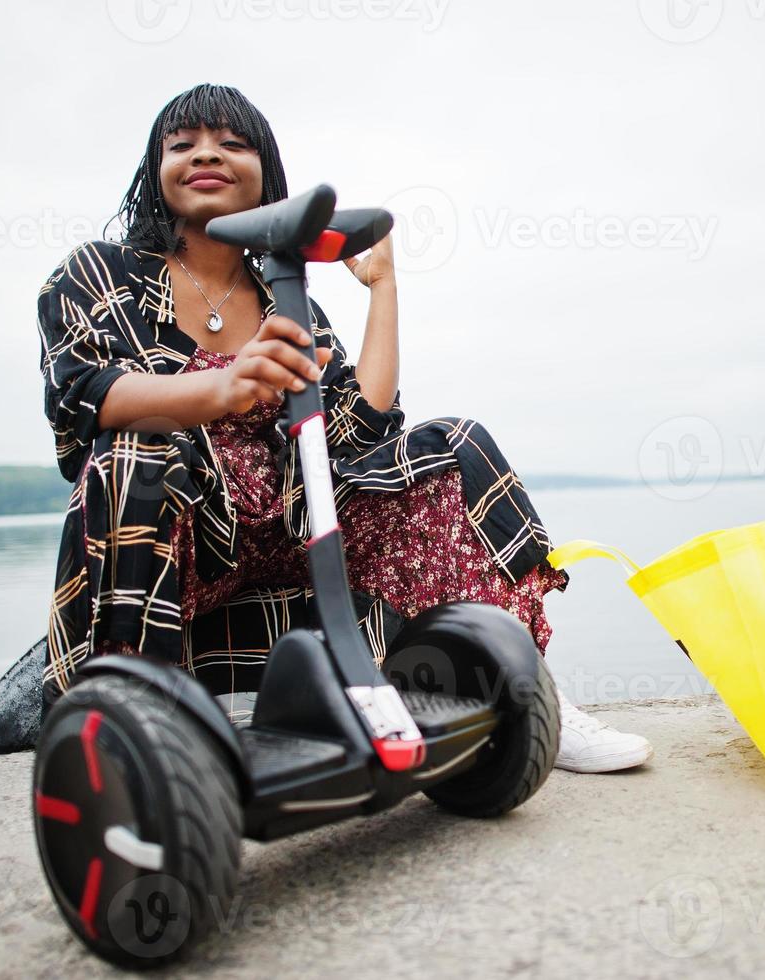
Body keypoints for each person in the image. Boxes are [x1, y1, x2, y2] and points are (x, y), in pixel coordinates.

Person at [35, 82, 651, 773]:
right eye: (182, 144)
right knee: (132, 450)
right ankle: (133, 726)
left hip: (295, 527)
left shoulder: (286, 296)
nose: (206, 154)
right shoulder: (98, 272)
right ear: (156, 169)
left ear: (266, 173)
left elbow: (360, 431)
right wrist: (222, 386)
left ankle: (522, 689)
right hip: (178, 534)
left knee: (451, 444)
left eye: (232, 143)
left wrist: (382, 287)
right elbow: (83, 394)